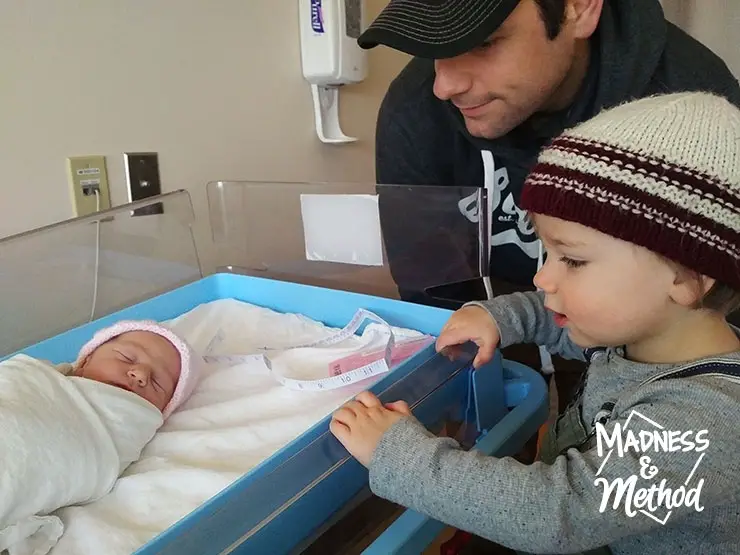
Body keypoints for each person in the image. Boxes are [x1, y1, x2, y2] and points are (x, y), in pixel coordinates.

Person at [329, 92, 740, 554]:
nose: (543, 275)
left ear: (687, 279)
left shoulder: (706, 420)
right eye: (548, 252)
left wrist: (398, 455)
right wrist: (497, 316)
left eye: (574, 260)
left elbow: (552, 514)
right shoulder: (647, 337)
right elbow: (559, 326)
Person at [358, 0, 740, 303]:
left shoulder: (693, 113)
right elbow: (432, 296)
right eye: (432, 43)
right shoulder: (415, 108)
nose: (445, 85)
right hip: (493, 322)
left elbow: (710, 319)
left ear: (579, 7)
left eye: (483, 43)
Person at [0, 320, 200, 554]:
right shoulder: (38, 378)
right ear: (86, 359)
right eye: (127, 357)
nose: (140, 375)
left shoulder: (125, 427)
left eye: (157, 382)